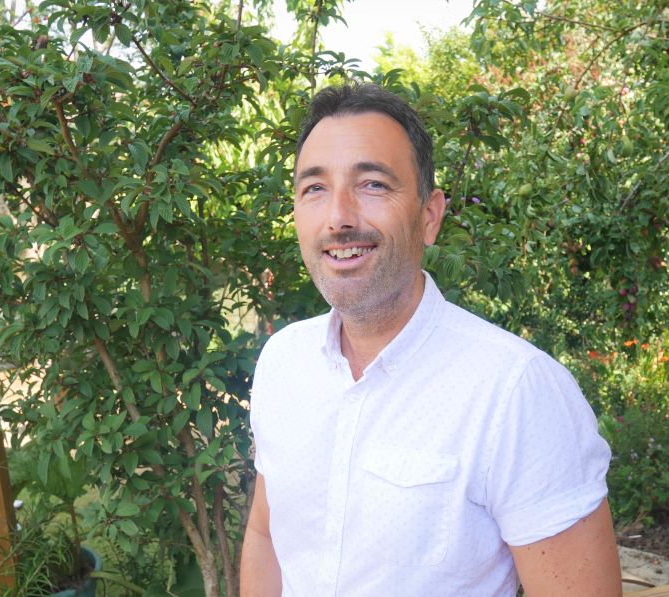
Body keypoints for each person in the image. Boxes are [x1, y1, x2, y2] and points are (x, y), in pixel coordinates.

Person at [240, 83, 621, 596]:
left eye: (373, 184)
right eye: (315, 189)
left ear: (429, 216)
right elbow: (266, 536)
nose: (339, 217)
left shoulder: (516, 392)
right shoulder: (283, 362)